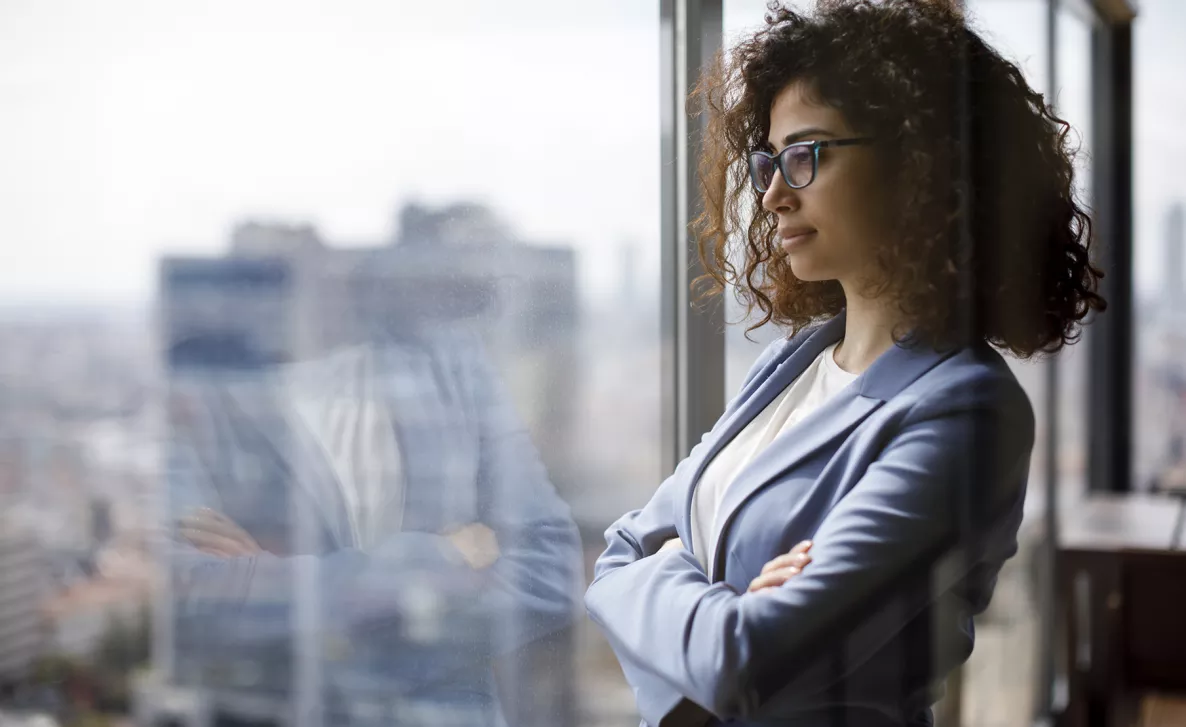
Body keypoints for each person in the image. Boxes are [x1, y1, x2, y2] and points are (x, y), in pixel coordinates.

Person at [584, 1, 1105, 726]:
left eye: (806, 154)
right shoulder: (791, 366)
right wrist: (711, 597)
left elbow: (743, 660)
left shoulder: (970, 410)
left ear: (921, 157)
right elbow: (614, 558)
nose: (771, 194)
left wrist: (670, 579)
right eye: (769, 160)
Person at [164, 266, 584, 727]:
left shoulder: (450, 360)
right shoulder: (197, 383)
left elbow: (553, 570)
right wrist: (440, 558)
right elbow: (196, 604)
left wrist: (276, 585)